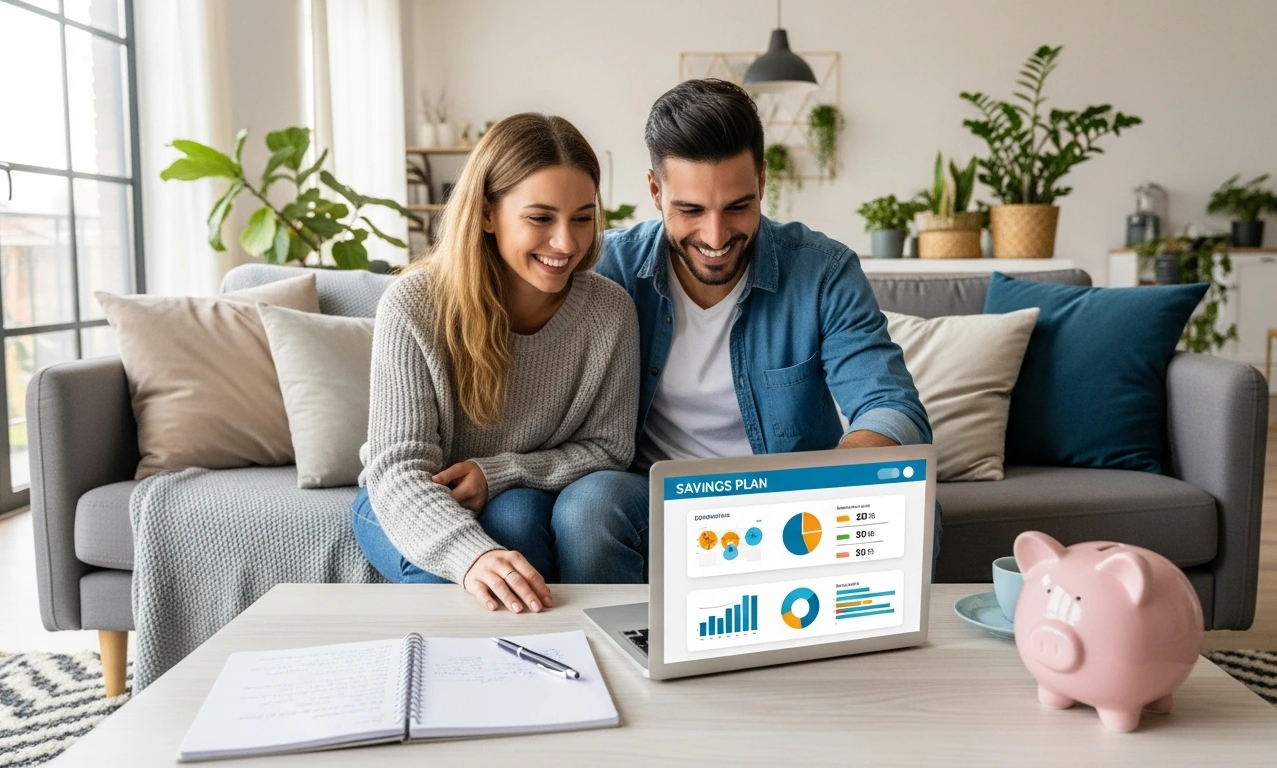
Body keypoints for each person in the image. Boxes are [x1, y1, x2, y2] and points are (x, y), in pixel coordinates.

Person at [568, 78, 942, 572]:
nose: (716, 236)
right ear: (656, 190)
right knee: (588, 506)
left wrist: (832, 483)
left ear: (762, 181)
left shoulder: (823, 270)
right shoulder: (609, 267)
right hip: (657, 500)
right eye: (690, 210)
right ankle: (623, 648)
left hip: (791, 502)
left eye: (738, 206)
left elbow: (891, 408)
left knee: (916, 510)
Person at [352, 113, 644, 614]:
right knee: (471, 577)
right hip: (411, 498)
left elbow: (609, 448)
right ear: (488, 212)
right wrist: (472, 558)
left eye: (581, 217)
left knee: (519, 520)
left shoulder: (609, 312)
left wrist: (502, 471)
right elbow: (399, 472)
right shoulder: (413, 306)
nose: (567, 243)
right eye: (541, 218)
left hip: (520, 492)